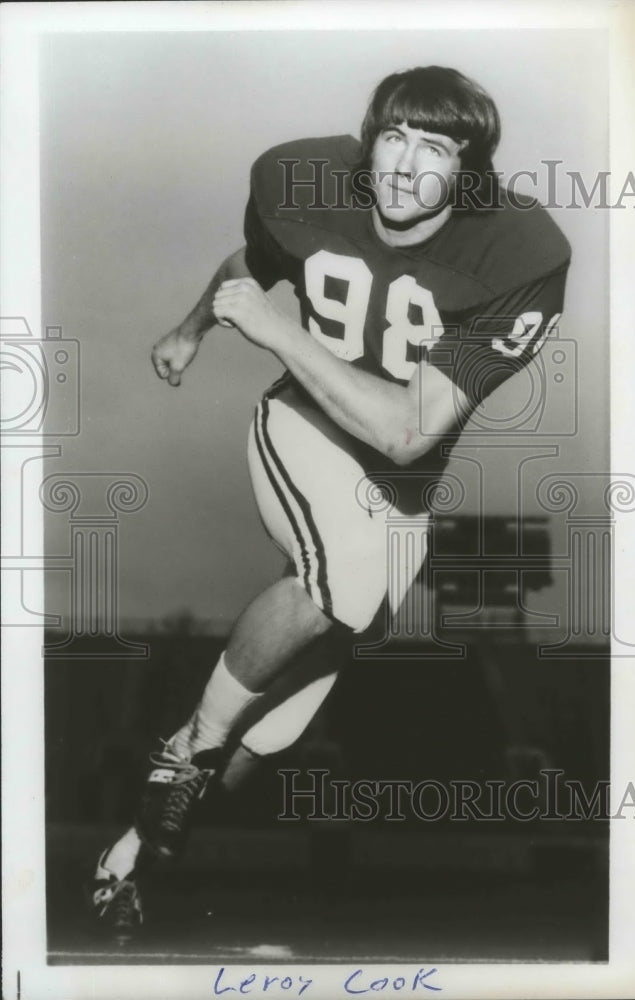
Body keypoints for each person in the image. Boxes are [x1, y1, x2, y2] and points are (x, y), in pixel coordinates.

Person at [90, 65, 570, 942]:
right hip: (301, 428)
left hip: (400, 483)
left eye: (436, 148)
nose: (403, 165)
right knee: (340, 582)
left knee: (273, 723)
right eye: (393, 137)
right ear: (368, 137)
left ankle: (136, 850)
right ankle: (184, 748)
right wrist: (194, 326)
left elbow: (404, 435)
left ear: (469, 172)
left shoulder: (517, 254)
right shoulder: (304, 182)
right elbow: (254, 264)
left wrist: (269, 326)